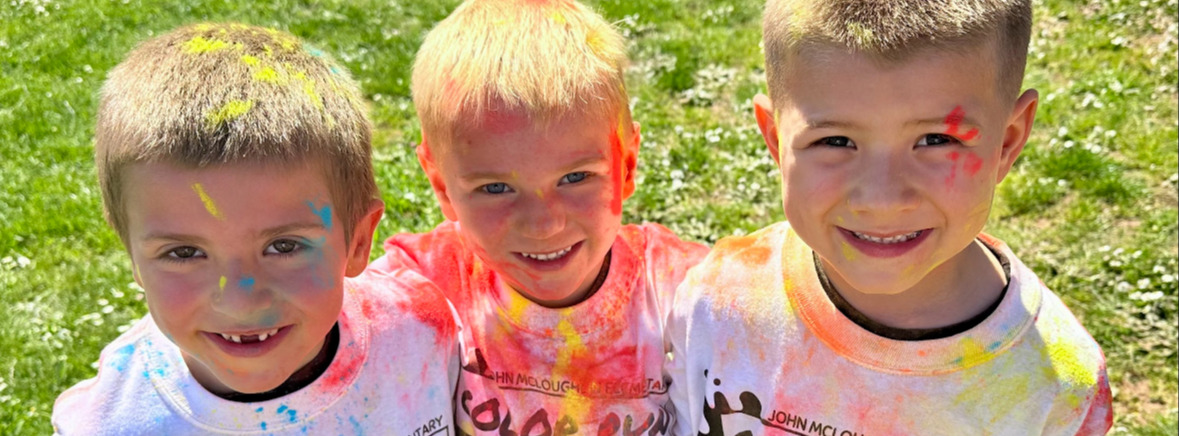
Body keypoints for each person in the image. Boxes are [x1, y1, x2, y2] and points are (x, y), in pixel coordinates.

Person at [667, 0, 1113, 434]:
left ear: (1008, 141)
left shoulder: (1055, 389)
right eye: (836, 142)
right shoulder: (717, 301)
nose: (882, 199)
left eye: (936, 139)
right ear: (775, 139)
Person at [52, 22, 459, 435]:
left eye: (283, 246)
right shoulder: (112, 423)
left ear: (357, 241)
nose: (239, 303)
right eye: (184, 253)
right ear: (133, 257)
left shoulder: (419, 334)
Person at [367, 0, 709, 433]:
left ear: (626, 166)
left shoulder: (685, 290)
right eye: (495, 188)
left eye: (576, 177)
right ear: (440, 186)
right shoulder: (426, 285)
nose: (544, 224)